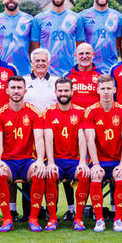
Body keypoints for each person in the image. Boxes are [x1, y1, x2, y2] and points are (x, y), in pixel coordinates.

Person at [81, 75, 122, 232]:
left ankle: (118, 219)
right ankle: (99, 220)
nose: (106, 92)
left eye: (109, 88)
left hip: (117, 159)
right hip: (99, 160)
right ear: (98, 90)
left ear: (114, 90)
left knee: (120, 175)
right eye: (103, 89)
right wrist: (95, 164)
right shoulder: (91, 111)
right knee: (96, 175)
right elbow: (90, 140)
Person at [0, 76, 43, 231]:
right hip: (8, 161)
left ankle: (33, 218)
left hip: (27, 161)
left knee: (39, 172)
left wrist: (40, 160)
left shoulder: (34, 112)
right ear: (7, 90)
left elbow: (39, 140)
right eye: (13, 88)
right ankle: (7, 219)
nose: (16, 91)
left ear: (25, 91)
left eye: (19, 88)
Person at [39, 77, 86, 230]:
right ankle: (52, 218)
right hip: (56, 160)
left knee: (84, 174)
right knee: (51, 174)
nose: (63, 93)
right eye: (60, 91)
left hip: (74, 160)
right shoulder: (48, 112)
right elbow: (48, 140)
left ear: (72, 91)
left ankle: (78, 218)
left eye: (66, 90)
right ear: (55, 92)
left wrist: (83, 163)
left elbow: (82, 139)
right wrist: (51, 163)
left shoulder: (80, 112)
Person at [29, 0, 86, 76]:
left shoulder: (76, 18)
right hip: (46, 73)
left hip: (70, 71)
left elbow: (80, 47)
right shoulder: (38, 19)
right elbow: (35, 48)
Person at [0, 0, 34, 76]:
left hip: (24, 71)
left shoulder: (29, 20)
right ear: (3, 0)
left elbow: (33, 46)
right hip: (1, 71)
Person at [80, 0, 122, 72]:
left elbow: (118, 42)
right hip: (89, 68)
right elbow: (79, 43)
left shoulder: (118, 17)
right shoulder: (82, 16)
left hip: (111, 68)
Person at [66, 42, 102, 109]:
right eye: (81, 54)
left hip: (95, 117)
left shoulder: (102, 76)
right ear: (76, 56)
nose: (84, 56)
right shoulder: (67, 77)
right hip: (74, 118)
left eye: (87, 53)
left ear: (93, 55)